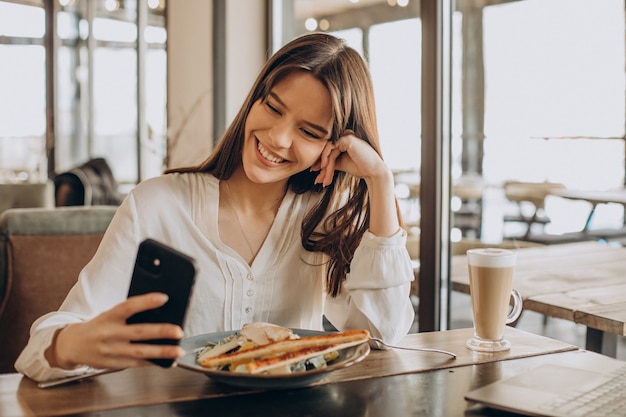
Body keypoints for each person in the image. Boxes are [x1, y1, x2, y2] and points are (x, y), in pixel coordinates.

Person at [15, 32, 415, 382]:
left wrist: (380, 180)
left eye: (308, 131)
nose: (277, 138)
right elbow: (39, 352)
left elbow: (380, 333)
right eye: (273, 108)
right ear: (253, 100)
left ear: (335, 145)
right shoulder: (156, 204)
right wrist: (70, 346)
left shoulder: (323, 216)